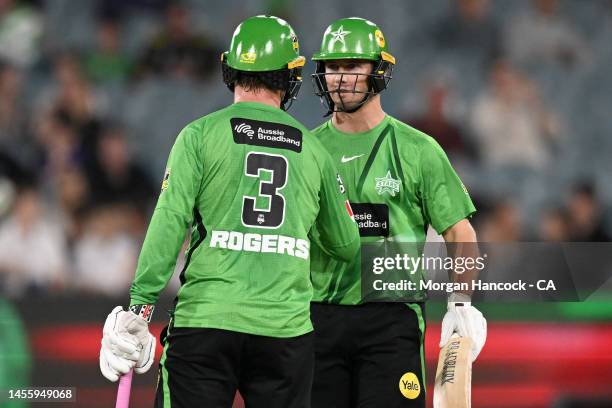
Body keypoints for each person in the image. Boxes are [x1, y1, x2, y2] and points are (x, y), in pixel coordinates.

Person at [98, 15, 360, 408]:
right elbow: (346, 245)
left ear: (229, 69)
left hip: (206, 322)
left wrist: (140, 308)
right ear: (290, 78)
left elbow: (168, 225)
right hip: (284, 333)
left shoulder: (198, 136)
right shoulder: (316, 152)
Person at [309, 17, 487, 407]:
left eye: (353, 66)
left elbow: (461, 234)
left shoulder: (418, 149)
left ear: (379, 71)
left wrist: (460, 303)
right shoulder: (305, 149)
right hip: (316, 317)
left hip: (392, 320)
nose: (340, 78)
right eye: (333, 68)